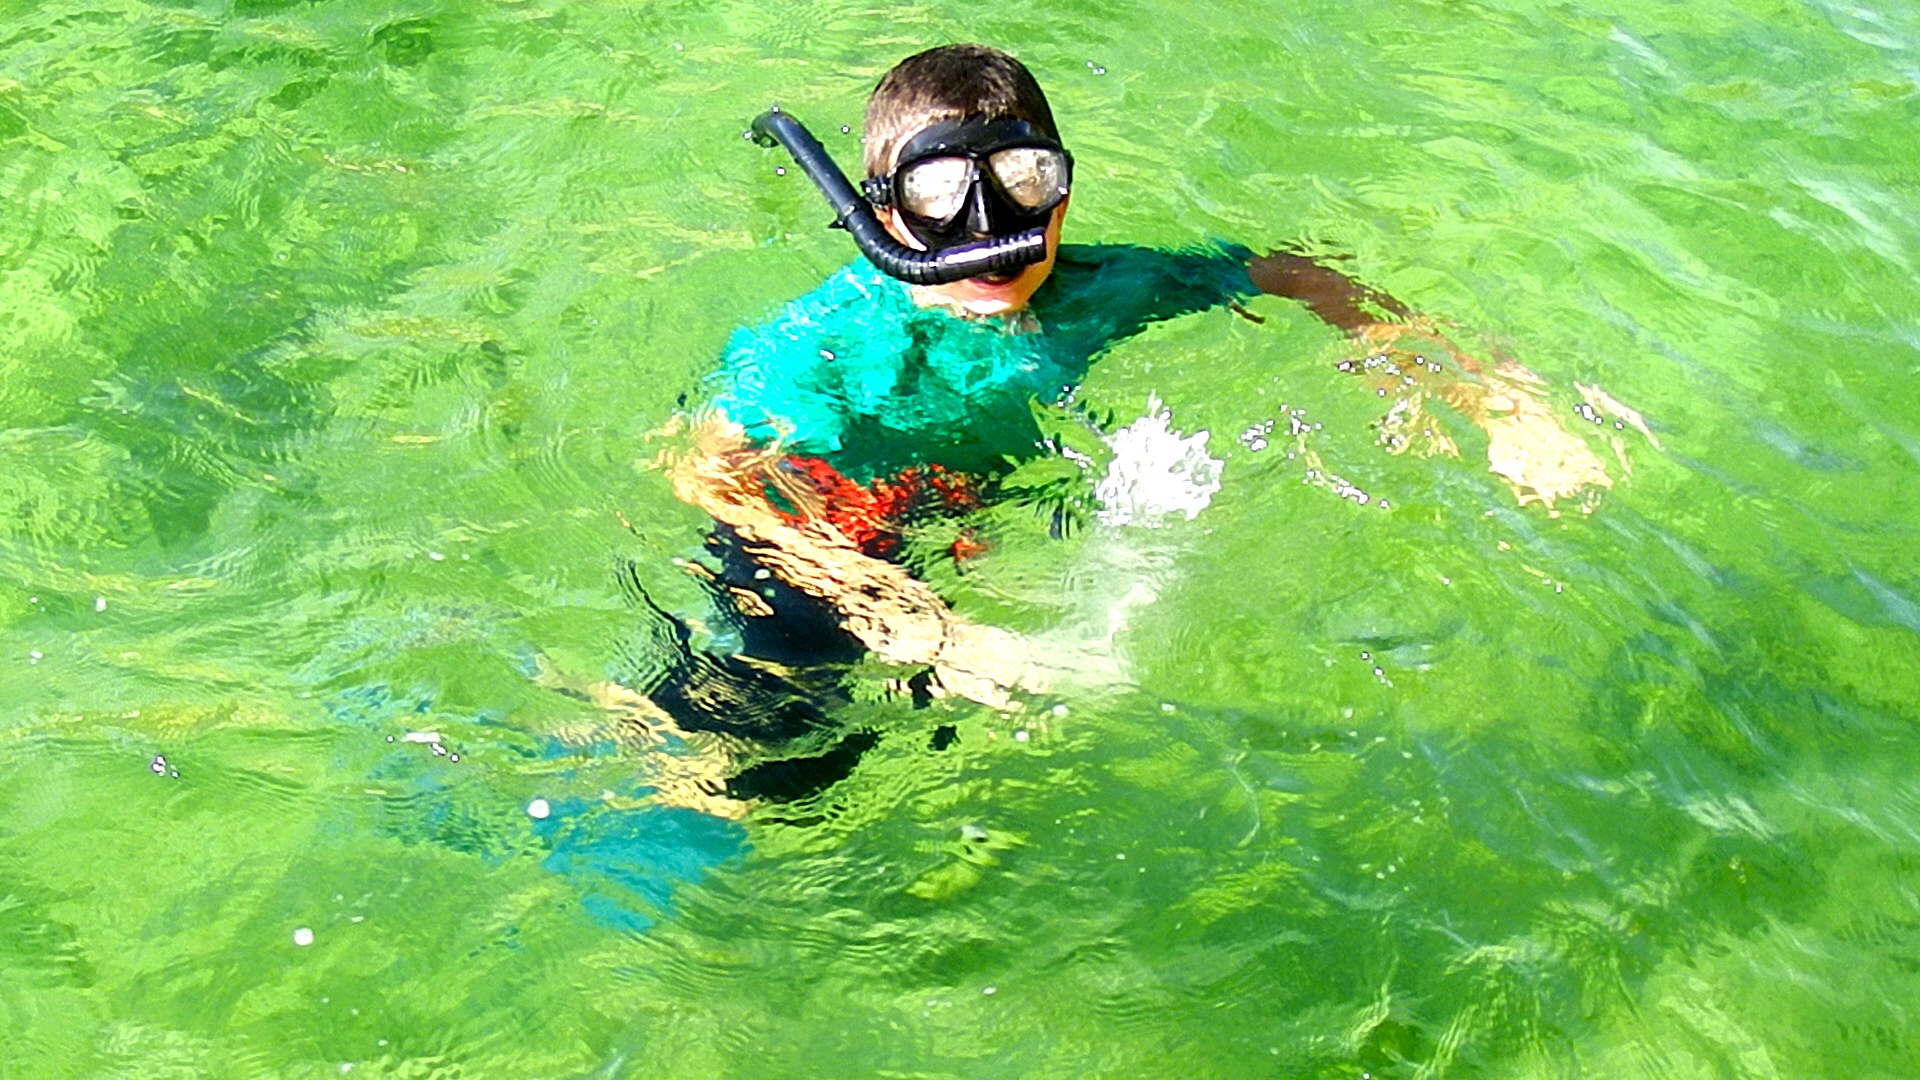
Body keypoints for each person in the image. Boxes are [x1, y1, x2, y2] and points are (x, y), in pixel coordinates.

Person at [625, 44, 1620, 810]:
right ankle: (624, 782)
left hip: (959, 523)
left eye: (1021, 188)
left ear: (1061, 189)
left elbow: (1294, 273)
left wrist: (1503, 406)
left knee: (848, 778)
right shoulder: (822, 341)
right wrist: (912, 623)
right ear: (884, 216)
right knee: (751, 751)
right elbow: (701, 475)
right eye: (940, 204)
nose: (990, 238)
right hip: (823, 537)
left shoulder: (1100, 291)